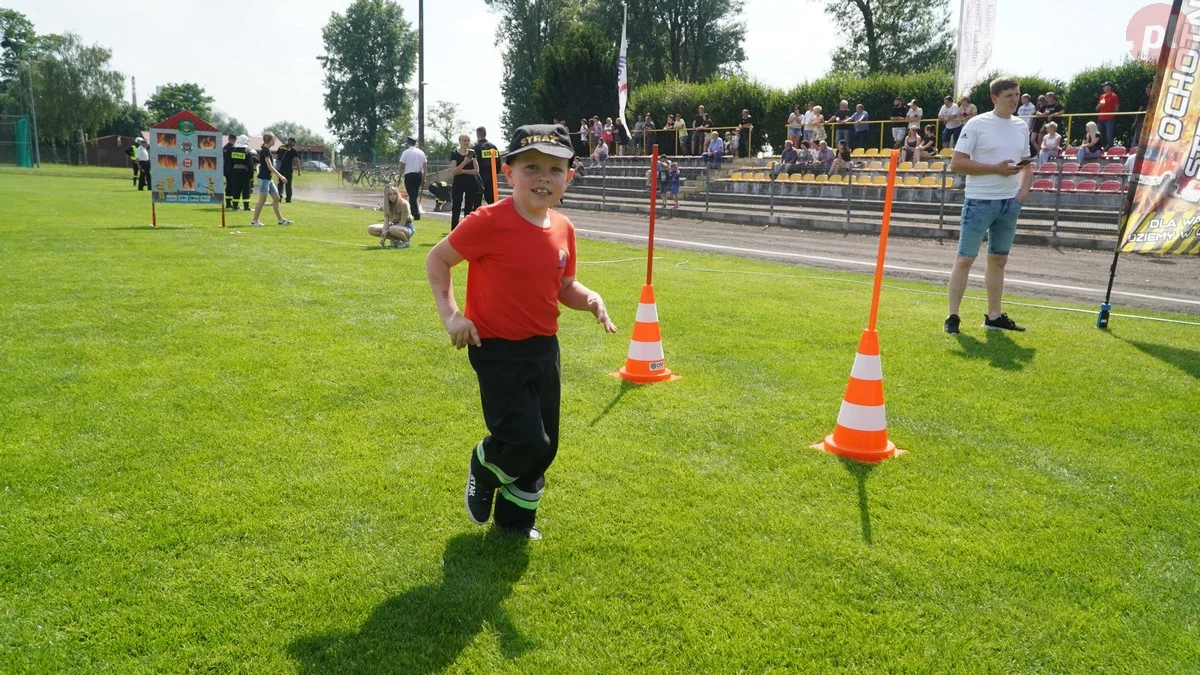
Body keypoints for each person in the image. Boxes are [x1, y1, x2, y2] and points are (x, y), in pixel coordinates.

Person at [424, 123, 618, 540]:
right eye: (531, 167)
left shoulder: (565, 228)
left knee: (546, 446)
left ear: (570, 175)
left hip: (544, 349)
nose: (543, 178)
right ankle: (485, 461)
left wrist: (591, 299)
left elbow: (564, 285)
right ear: (509, 173)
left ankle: (514, 523)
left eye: (554, 169)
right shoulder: (487, 222)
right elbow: (437, 261)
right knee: (525, 438)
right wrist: (452, 316)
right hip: (495, 349)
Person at [944, 76, 1034, 335]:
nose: (1015, 100)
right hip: (980, 201)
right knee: (965, 259)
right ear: (994, 98)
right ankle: (953, 316)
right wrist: (994, 169)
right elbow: (957, 163)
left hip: (1009, 203)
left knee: (998, 260)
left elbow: (1026, 162)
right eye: (1009, 96)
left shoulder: (1020, 126)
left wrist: (1023, 191)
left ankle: (994, 315)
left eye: (1017, 95)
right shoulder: (976, 124)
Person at [249, 132, 294, 227]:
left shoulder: (267, 150)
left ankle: (281, 220)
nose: (274, 141)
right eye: (273, 139)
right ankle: (254, 221)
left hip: (268, 179)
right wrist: (281, 177)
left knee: (276, 198)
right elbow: (270, 166)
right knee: (262, 199)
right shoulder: (265, 151)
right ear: (269, 140)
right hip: (264, 179)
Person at [449, 133, 482, 230]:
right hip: (458, 183)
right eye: (464, 140)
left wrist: (463, 171)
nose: (466, 142)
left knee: (468, 208)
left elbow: (476, 171)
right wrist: (464, 162)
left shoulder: (472, 153)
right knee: (456, 208)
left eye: (468, 140)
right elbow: (454, 172)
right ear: (460, 142)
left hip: (470, 183)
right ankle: (454, 231)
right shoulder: (454, 153)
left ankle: (466, 231)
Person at [368, 184, 415, 248]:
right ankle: (395, 240)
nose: (393, 196)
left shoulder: (404, 204)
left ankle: (406, 241)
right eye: (390, 194)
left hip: (406, 227)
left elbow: (402, 223)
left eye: (394, 194)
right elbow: (386, 222)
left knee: (392, 229)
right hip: (393, 226)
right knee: (371, 229)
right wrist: (383, 237)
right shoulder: (386, 205)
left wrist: (387, 231)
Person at [399, 135, 427, 221]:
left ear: (408, 143)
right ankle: (413, 212)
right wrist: (424, 177)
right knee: (414, 194)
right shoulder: (421, 152)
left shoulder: (406, 152)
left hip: (409, 175)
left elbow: (402, 165)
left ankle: (415, 213)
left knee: (412, 195)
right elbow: (425, 166)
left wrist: (399, 175)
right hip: (418, 175)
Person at [471, 126, 500, 207]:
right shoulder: (493, 147)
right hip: (492, 178)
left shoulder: (475, 148)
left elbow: (471, 164)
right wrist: (494, 174)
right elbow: (498, 163)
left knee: (476, 203)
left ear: (477, 134)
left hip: (479, 178)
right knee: (492, 202)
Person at [227, 135, 255, 211]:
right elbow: (250, 165)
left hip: (235, 173)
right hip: (245, 173)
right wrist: (251, 175)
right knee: (246, 189)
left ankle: (235, 206)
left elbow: (230, 163)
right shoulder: (247, 151)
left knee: (236, 189)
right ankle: (246, 206)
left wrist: (231, 174)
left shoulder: (233, 151)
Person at [274, 136, 301, 203]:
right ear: (291, 142)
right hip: (288, 169)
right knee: (288, 184)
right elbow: (297, 160)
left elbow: (277, 157)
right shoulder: (293, 150)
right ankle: (288, 199)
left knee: (280, 184)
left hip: (280, 169)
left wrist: (277, 167)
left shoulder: (280, 147)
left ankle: (279, 198)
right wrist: (299, 170)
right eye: (294, 142)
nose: (295, 143)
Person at [1096, 81, 1120, 148]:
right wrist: (1100, 105)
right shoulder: (1102, 96)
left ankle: (1110, 149)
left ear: (1109, 87)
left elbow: (1117, 109)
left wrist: (1111, 113)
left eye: (1104, 86)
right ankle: (1099, 149)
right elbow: (1096, 109)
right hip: (1100, 119)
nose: (1103, 88)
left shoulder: (1114, 96)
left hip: (1109, 119)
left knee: (1110, 136)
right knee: (1098, 135)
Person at [222, 133, 237, 208]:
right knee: (232, 186)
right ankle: (232, 203)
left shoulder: (224, 148)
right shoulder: (233, 148)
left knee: (228, 185)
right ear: (234, 140)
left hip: (225, 169)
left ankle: (228, 202)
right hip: (232, 169)